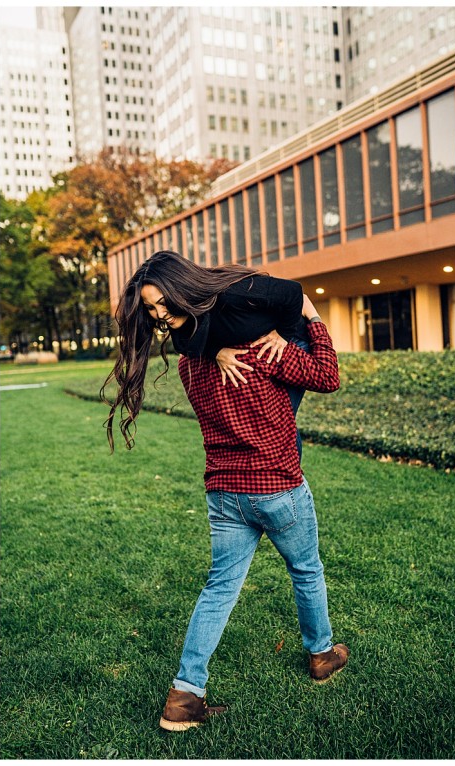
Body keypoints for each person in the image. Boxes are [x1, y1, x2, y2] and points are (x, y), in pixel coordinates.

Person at [104, 257, 349, 731]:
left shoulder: (190, 367)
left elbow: (197, 336)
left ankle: (184, 696)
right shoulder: (264, 352)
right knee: (306, 569)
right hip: (277, 486)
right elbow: (328, 376)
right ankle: (321, 654)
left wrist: (216, 347)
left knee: (218, 589)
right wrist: (312, 321)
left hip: (224, 492)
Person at [103, 250, 311, 455]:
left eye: (163, 303)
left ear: (180, 288)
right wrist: (216, 352)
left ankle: (289, 481)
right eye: (150, 307)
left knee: (278, 423)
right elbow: (183, 346)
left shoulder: (233, 293)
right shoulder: (182, 319)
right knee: (265, 425)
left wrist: (282, 333)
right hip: (256, 350)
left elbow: (293, 292)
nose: (160, 315)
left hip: (292, 340)